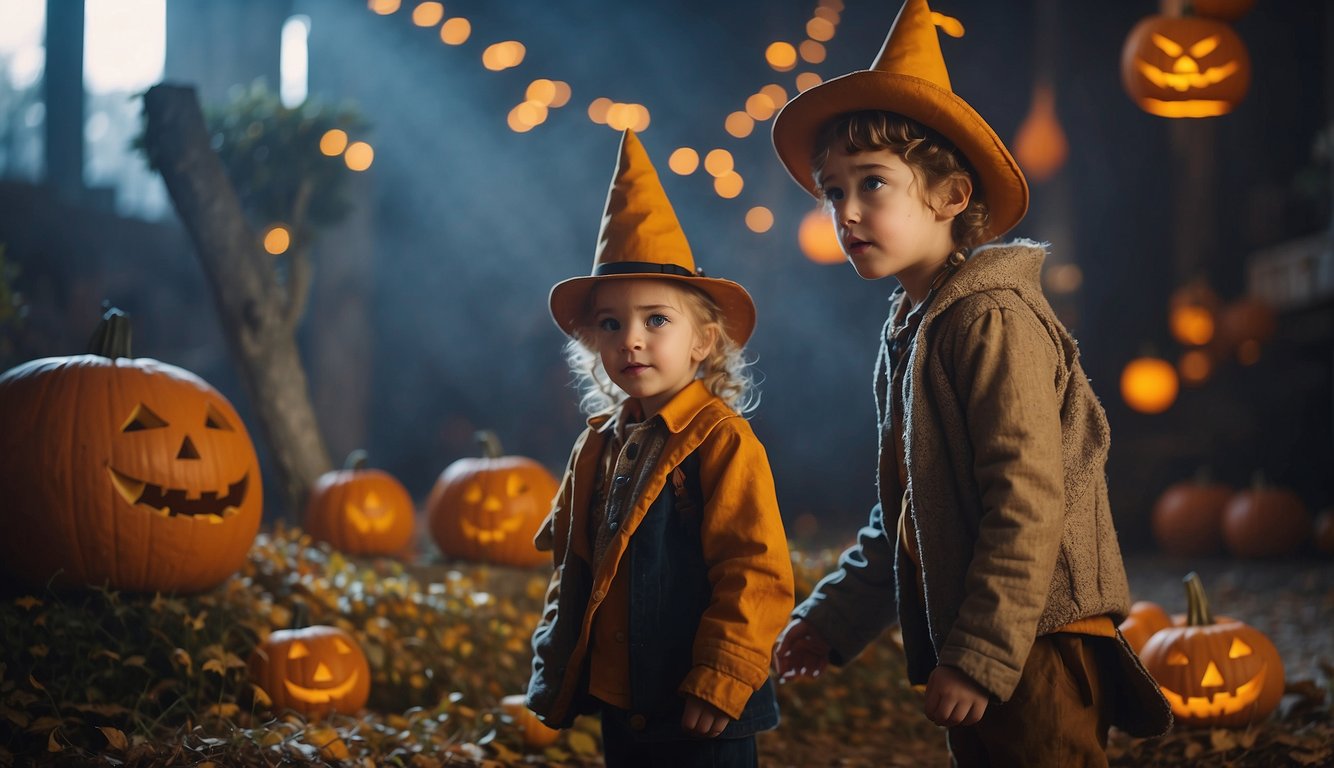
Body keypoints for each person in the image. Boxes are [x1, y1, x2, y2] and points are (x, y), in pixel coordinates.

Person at [767, 0, 1172, 765]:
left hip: (1037, 633)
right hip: (988, 627)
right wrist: (834, 618)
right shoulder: (916, 325)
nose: (845, 212)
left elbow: (1025, 499)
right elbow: (914, 510)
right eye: (832, 191)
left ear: (951, 196)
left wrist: (981, 654)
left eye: (872, 184)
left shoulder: (990, 317)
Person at [525, 128, 795, 768]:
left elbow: (754, 570)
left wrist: (721, 678)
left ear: (703, 341)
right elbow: (575, 567)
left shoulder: (721, 442)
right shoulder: (601, 446)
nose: (632, 340)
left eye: (657, 319)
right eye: (611, 324)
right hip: (627, 703)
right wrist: (557, 671)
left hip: (701, 710)